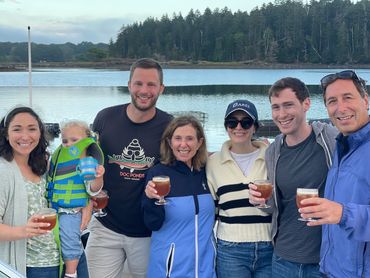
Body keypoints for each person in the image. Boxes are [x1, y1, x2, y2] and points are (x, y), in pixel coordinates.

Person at [85, 58, 173, 278]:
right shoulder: (105, 118)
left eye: (151, 84)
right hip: (106, 226)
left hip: (148, 233)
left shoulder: (169, 126)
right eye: (139, 83)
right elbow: (89, 162)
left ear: (161, 88)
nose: (144, 90)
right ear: (129, 85)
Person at [249, 77, 338, 278]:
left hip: (325, 260)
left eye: (288, 105)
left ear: (306, 104)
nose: (281, 114)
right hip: (283, 259)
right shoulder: (273, 151)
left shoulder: (330, 139)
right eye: (276, 107)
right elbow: (277, 206)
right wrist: (261, 202)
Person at [0, 106, 88, 278]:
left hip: (72, 256)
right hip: (36, 266)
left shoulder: (45, 164)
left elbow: (73, 186)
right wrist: (24, 230)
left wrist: (88, 204)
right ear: (6, 134)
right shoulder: (3, 172)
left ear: (40, 133)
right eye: (17, 129)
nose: (25, 136)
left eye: (32, 129)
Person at [299, 70, 370, 277]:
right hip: (331, 269)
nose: (340, 108)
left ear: (365, 100)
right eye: (332, 101)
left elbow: (343, 213)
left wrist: (343, 214)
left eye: (348, 97)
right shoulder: (342, 145)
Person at [143, 115, 216, 278]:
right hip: (170, 268)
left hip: (206, 267)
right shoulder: (158, 173)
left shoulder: (207, 172)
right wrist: (150, 200)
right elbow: (152, 223)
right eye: (178, 138)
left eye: (190, 138)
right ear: (170, 142)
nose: (183, 144)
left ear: (200, 143)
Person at [206, 99, 272, 278]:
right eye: (232, 122)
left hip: (270, 247)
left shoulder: (272, 157)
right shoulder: (212, 163)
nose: (239, 127)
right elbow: (213, 210)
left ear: (255, 127)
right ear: (226, 127)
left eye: (246, 122)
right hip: (230, 249)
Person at [47, 120, 105, 278]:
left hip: (72, 212)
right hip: (56, 208)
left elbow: (93, 189)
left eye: (74, 140)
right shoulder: (58, 156)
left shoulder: (87, 162)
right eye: (65, 141)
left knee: (70, 238)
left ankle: (71, 272)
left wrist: (98, 177)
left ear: (86, 142)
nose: (68, 144)